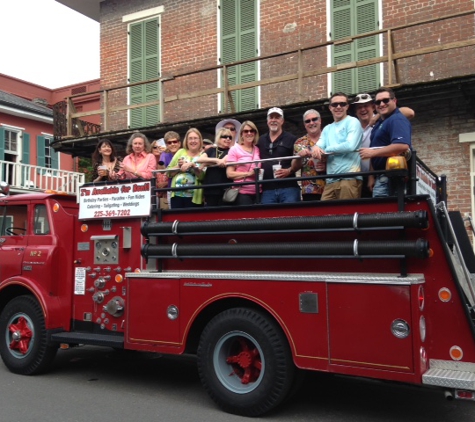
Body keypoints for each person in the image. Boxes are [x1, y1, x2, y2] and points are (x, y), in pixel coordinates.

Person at [353, 92, 415, 198]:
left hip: (389, 176)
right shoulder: (355, 126)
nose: (381, 104)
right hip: (369, 177)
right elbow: (374, 151)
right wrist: (372, 177)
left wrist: (378, 115)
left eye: (385, 100)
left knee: (383, 211)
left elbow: (410, 113)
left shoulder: (395, 119)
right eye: (378, 102)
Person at [313, 92, 363, 200]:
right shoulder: (327, 128)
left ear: (347, 107)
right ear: (330, 107)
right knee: (324, 215)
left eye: (342, 104)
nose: (338, 107)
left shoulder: (353, 122)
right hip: (331, 180)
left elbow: (350, 146)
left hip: (349, 177)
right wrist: (316, 147)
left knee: (347, 214)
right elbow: (318, 146)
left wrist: (326, 149)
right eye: (335, 104)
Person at [257, 107, 300, 204]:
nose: (273, 120)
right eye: (271, 117)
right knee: (268, 218)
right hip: (267, 189)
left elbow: (300, 161)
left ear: (282, 121)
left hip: (289, 188)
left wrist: (289, 170)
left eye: (277, 117)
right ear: (267, 121)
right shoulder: (261, 140)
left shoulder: (292, 139)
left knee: (291, 217)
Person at [166, 128, 205, 208]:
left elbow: (202, 177)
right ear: (186, 141)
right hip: (176, 195)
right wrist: (178, 166)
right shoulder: (180, 152)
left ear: (200, 140)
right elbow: (168, 173)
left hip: (194, 196)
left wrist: (193, 166)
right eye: (190, 138)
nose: (193, 141)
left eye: (195, 138)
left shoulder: (203, 155)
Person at [293, 109, 326, 201]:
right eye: (308, 121)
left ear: (320, 121)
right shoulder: (299, 142)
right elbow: (294, 168)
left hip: (331, 185)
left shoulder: (329, 138)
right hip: (310, 189)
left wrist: (326, 165)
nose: (311, 123)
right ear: (304, 125)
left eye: (314, 119)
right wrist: (299, 157)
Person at [226, 121, 261, 206]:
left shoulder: (257, 149)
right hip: (242, 192)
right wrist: (249, 174)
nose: (249, 133)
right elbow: (229, 173)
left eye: (251, 131)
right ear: (241, 134)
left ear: (255, 133)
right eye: (246, 131)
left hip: (258, 191)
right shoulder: (234, 149)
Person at [199, 127, 233, 206]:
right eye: (225, 136)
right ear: (219, 137)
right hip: (210, 187)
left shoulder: (231, 150)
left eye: (230, 137)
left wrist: (206, 162)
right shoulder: (211, 150)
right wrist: (216, 160)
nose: (228, 139)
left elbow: (223, 162)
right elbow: (200, 159)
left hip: (224, 187)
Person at [151, 138, 169, 209]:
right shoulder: (149, 161)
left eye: (159, 147)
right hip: (154, 192)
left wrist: (165, 184)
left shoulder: (167, 158)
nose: (157, 149)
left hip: (166, 191)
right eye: (155, 147)